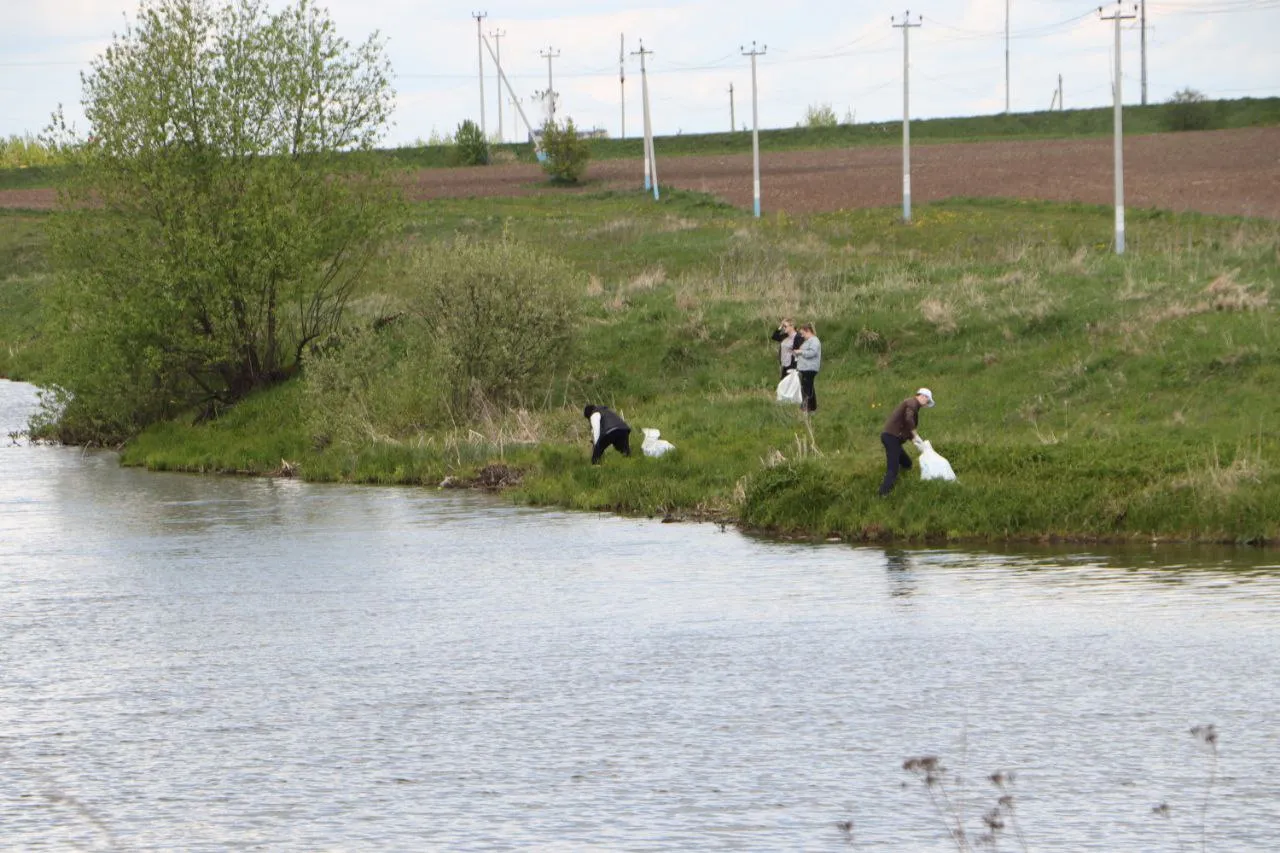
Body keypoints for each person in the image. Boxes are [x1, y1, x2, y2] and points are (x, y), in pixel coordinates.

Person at [879, 388, 935, 496]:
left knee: (907, 463)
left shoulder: (913, 405)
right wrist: (915, 433)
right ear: (923, 396)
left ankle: (903, 477)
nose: (926, 404)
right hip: (891, 438)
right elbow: (909, 419)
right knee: (893, 469)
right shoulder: (912, 403)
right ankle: (883, 493)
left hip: (893, 439)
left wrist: (916, 441)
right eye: (927, 401)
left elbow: (905, 426)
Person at [793, 322, 822, 413]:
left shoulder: (814, 340)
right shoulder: (808, 341)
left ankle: (805, 408)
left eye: (803, 333)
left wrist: (801, 352)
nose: (802, 336)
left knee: (806, 388)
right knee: (809, 387)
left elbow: (812, 353)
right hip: (804, 368)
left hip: (809, 368)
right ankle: (812, 408)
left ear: (808, 331)